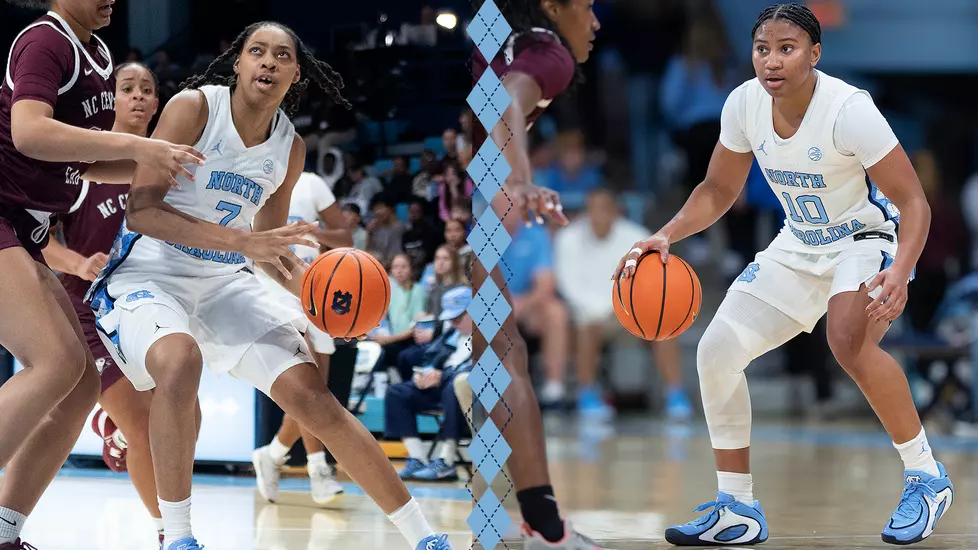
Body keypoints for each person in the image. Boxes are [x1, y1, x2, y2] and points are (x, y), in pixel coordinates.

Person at [86, 21, 452, 550]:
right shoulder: (194, 108)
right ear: (237, 63)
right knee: (179, 360)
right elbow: (142, 213)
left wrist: (323, 298)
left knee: (315, 398)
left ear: (295, 73)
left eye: (282, 56)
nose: (268, 62)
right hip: (153, 271)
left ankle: (425, 537)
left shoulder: (290, 147)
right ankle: (180, 538)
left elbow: (268, 245)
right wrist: (242, 247)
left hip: (224, 281)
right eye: (257, 51)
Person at [614, 4, 950, 546]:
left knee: (848, 342)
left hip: (863, 240)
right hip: (798, 242)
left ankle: (926, 477)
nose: (771, 61)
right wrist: (667, 234)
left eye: (786, 48)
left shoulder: (848, 109)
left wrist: (902, 272)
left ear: (814, 54)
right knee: (715, 352)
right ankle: (738, 508)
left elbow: (914, 201)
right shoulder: (744, 103)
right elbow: (719, 190)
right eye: (762, 49)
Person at [0, 2, 203, 548]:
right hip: (4, 217)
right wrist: (140, 146)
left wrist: (163, 163)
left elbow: (82, 163)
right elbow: (29, 132)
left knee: (80, 382)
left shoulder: (98, 53)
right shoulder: (46, 40)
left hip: (26, 229)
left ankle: (4, 529)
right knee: (58, 362)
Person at [471, 0, 604, 547]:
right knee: (502, 362)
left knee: (495, 364)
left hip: (474, 199)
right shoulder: (548, 52)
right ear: (554, 6)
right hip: (476, 202)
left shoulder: (494, 36)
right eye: (589, 6)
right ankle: (544, 530)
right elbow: (503, 102)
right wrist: (522, 178)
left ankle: (509, 525)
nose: (595, 22)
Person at [252, 169, 354, 506]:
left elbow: (345, 239)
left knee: (315, 394)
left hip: (313, 289)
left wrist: (315, 233)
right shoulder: (252, 177)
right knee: (308, 387)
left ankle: (274, 454)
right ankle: (318, 470)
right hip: (270, 289)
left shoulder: (312, 184)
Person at [555, 188, 691, 420]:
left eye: (604, 209)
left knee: (665, 327)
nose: (598, 215)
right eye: (593, 209)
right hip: (590, 315)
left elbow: (649, 281)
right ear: (586, 212)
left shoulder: (637, 237)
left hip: (631, 311)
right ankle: (587, 395)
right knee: (586, 326)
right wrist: (602, 310)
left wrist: (621, 309)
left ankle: (675, 394)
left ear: (616, 211)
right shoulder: (568, 238)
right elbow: (568, 285)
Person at [385, 286, 473, 482]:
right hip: (439, 387)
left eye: (458, 318)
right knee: (397, 392)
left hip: (465, 393)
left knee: (454, 387)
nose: (454, 323)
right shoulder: (451, 334)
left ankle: (446, 460)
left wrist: (442, 376)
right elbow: (430, 357)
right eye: (451, 319)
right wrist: (423, 374)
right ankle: (417, 457)